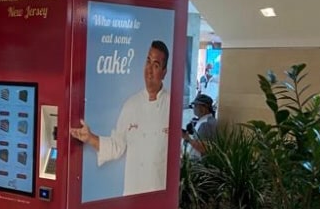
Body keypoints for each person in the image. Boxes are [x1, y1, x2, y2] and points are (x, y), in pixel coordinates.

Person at [70, 40, 170, 195]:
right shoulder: (131, 105)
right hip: (132, 193)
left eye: (156, 65)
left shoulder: (172, 105)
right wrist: (90, 138)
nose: (149, 70)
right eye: (147, 62)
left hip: (159, 196)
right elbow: (117, 146)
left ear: (164, 72)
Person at [182, 92, 217, 160]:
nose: (194, 109)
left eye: (195, 106)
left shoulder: (206, 124)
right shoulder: (205, 121)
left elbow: (204, 148)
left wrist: (187, 138)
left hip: (199, 163)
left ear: (203, 108)